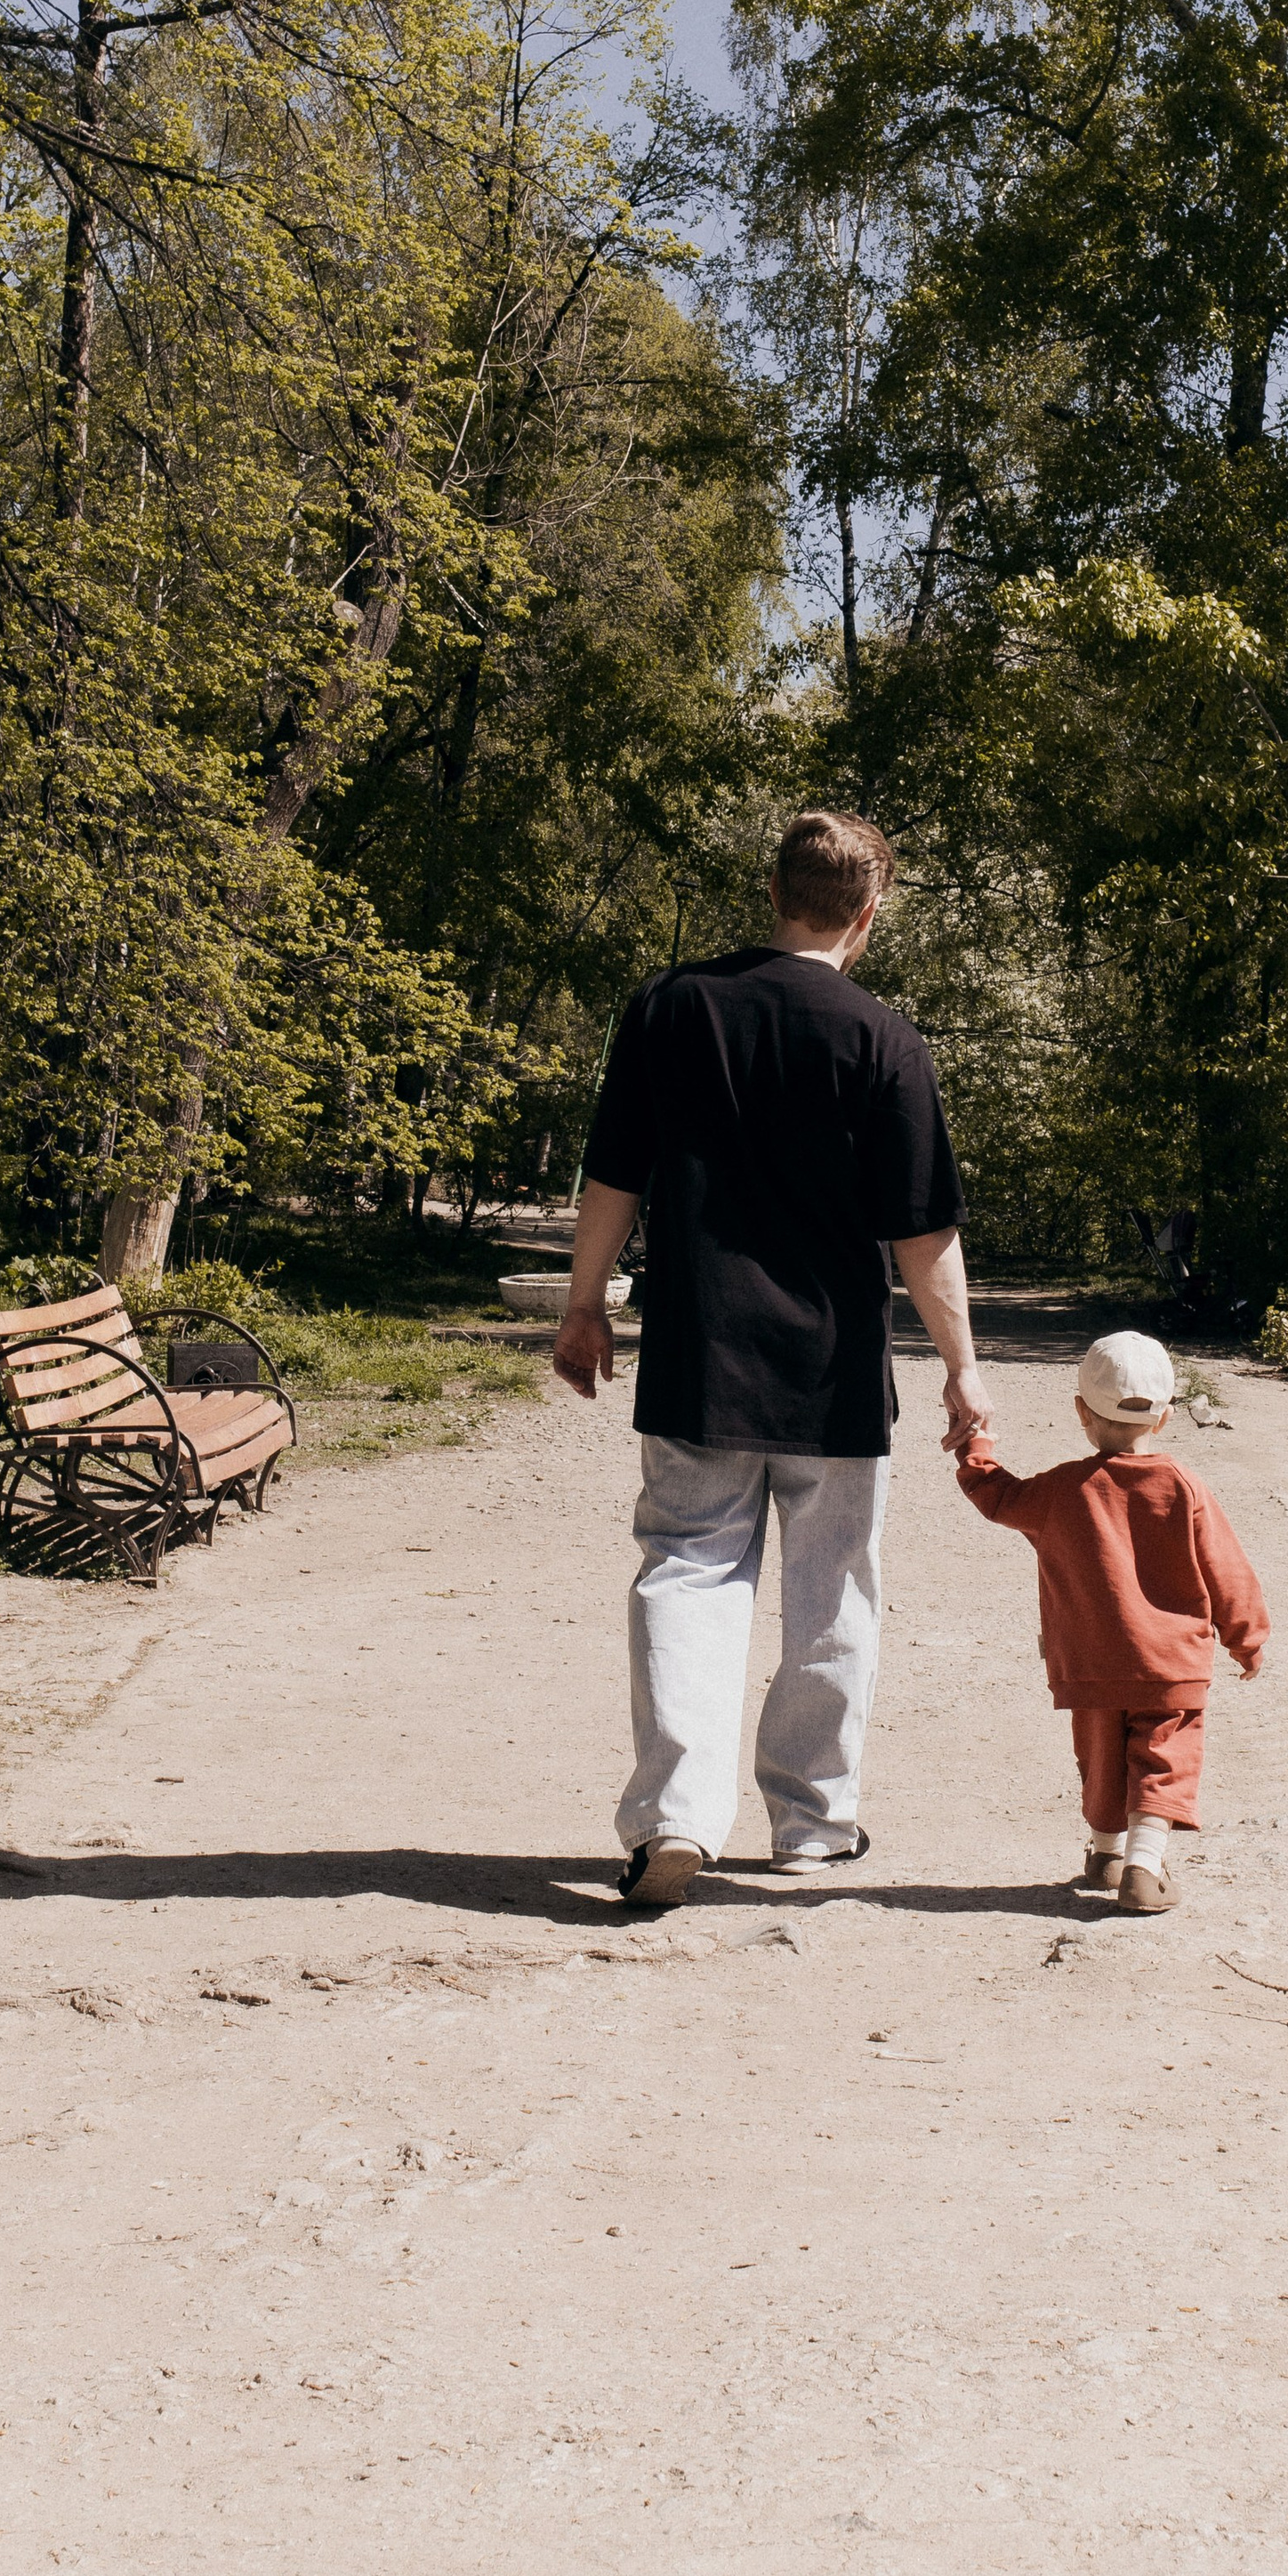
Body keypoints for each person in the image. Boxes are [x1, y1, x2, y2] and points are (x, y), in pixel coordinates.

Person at [554, 810, 993, 1905]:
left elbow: (616, 1171)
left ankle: (674, 1819)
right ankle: (812, 1825)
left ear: (773, 890)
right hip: (835, 1375)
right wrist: (962, 1367)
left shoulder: (670, 1007)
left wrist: (582, 1305)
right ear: (869, 911)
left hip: (700, 1358)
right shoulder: (882, 1037)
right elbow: (920, 1232)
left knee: (687, 1570)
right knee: (833, 1594)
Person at [956, 1328, 1267, 1915]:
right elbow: (1225, 1567)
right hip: (1172, 1662)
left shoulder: (1061, 1490)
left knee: (1100, 1760)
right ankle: (1144, 1868)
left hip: (1090, 1662)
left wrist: (977, 1447)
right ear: (1166, 1418)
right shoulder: (1183, 1486)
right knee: (1162, 1757)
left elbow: (996, 1495)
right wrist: (1246, 1637)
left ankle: (1104, 1855)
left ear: (1081, 1413)